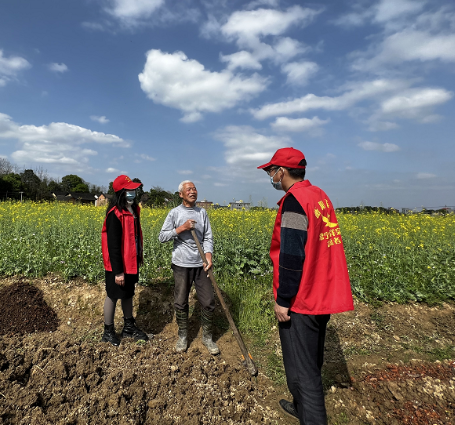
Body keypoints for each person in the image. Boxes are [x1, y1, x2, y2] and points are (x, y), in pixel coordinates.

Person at [257, 148, 354, 425]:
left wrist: (283, 299)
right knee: (312, 359)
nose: (270, 176)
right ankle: (301, 407)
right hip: (322, 293)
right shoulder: (319, 196)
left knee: (303, 370)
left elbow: (291, 256)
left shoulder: (295, 202)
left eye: (270, 171)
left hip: (302, 298)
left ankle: (311, 416)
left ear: (282, 172)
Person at [159, 180, 219, 355]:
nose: (193, 191)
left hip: (201, 264)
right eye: (188, 189)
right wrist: (181, 228)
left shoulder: (202, 213)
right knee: (181, 301)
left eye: (194, 188)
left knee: (208, 301)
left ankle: (207, 337)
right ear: (181, 194)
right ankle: (183, 336)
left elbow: (208, 236)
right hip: (181, 264)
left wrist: (208, 255)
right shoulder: (174, 213)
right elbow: (162, 237)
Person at [101, 174, 149, 346]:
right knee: (113, 295)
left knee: (128, 293)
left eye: (134, 189)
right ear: (121, 192)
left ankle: (129, 327)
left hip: (131, 261)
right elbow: (113, 245)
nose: (133, 192)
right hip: (118, 265)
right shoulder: (115, 214)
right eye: (129, 190)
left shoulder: (133, 210)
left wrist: (138, 256)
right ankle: (108, 331)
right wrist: (118, 271)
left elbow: (134, 237)